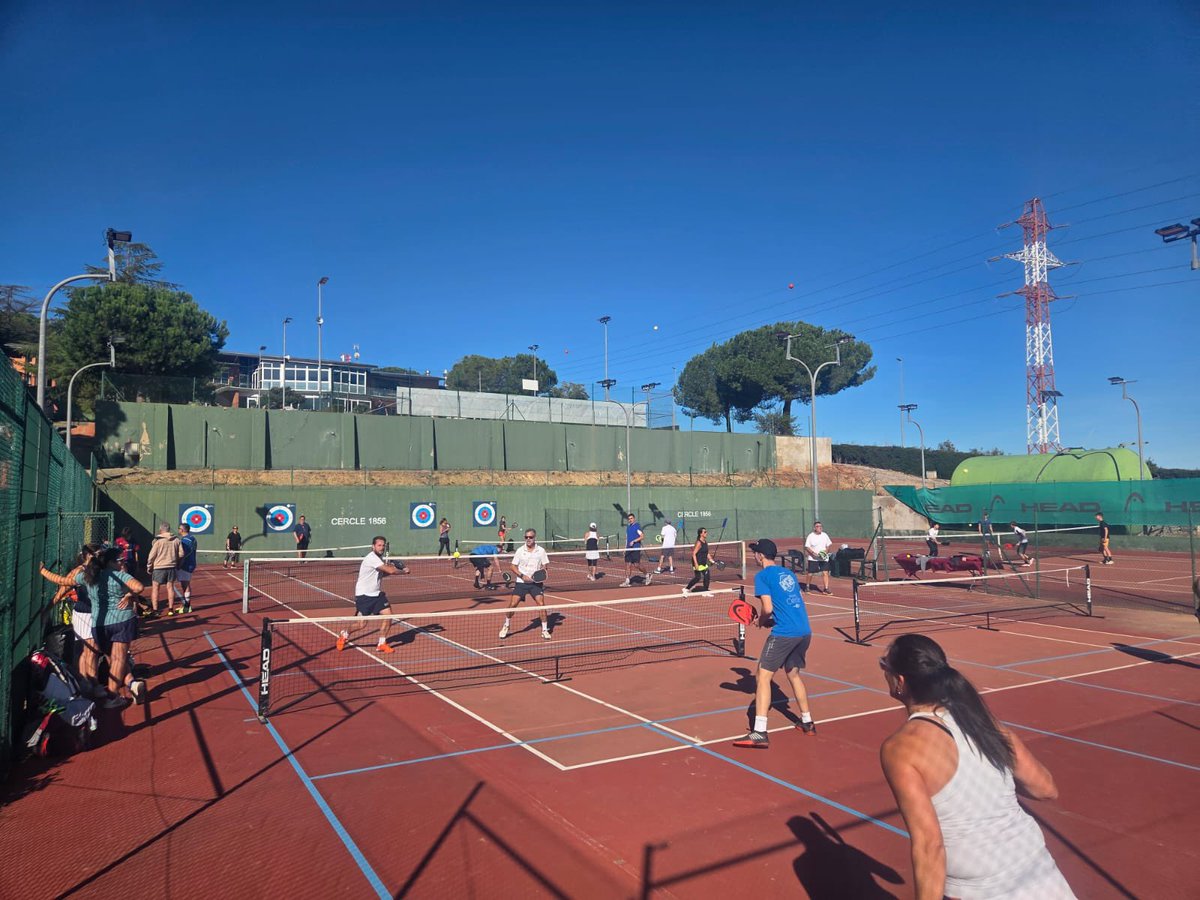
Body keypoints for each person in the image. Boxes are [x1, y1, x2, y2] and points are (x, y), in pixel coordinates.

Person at [878, 633, 1075, 899]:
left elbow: (929, 845)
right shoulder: (981, 722)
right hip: (1038, 871)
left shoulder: (902, 748)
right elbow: (1045, 789)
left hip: (979, 890)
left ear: (900, 680)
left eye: (884, 665)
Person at [733, 538, 816, 748]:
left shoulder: (762, 576)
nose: (754, 555)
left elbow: (768, 608)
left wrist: (761, 621)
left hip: (785, 633)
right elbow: (789, 603)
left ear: (760, 555)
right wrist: (771, 620)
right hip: (804, 630)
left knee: (762, 676)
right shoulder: (788, 573)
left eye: (755, 552)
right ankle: (807, 722)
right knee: (793, 674)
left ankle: (759, 732)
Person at [41, 544, 147, 708]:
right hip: (120, 620)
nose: (121, 563)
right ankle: (111, 694)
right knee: (115, 658)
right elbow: (139, 587)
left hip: (99, 624)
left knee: (107, 656)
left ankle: (126, 683)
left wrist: (43, 571)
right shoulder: (118, 575)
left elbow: (62, 580)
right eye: (119, 560)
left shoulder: (87, 577)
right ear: (109, 562)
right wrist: (128, 595)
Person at [44, 548, 104, 699]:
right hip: (86, 614)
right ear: (88, 555)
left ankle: (85, 684)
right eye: (97, 553)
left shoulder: (99, 568)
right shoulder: (81, 572)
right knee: (91, 651)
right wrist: (50, 605)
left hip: (90, 614)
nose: (99, 555)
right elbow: (63, 584)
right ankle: (93, 684)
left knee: (87, 650)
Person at [338, 536, 409, 654]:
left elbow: (383, 574)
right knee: (361, 624)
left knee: (388, 616)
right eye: (379, 545)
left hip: (377, 595)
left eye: (383, 545)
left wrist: (396, 571)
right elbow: (390, 571)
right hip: (364, 595)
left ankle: (381, 643)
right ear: (373, 546)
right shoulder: (372, 558)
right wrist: (403, 571)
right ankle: (344, 634)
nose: (381, 548)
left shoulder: (379, 559)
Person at [500, 529, 551, 640]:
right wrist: (522, 576)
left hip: (535, 584)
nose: (528, 539)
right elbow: (512, 566)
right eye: (526, 537)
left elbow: (545, 566)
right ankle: (506, 625)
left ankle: (544, 630)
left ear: (534, 538)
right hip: (521, 583)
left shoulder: (541, 551)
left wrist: (540, 574)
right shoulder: (520, 550)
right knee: (513, 604)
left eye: (530, 537)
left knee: (541, 604)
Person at [145, 522, 181, 617]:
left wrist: (149, 566)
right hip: (171, 566)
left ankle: (155, 610)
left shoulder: (157, 540)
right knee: (170, 587)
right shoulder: (176, 539)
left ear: (161, 530)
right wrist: (174, 559)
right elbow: (181, 553)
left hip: (159, 567)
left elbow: (151, 556)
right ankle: (170, 609)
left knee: (155, 588)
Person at [171, 523, 198, 615]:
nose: (178, 530)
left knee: (185, 585)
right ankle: (186, 605)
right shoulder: (192, 538)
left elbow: (183, 555)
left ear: (182, 530)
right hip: (190, 564)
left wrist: (179, 564)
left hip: (186, 565)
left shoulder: (185, 540)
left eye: (179, 528)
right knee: (185, 584)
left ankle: (187, 606)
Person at [621, 513, 652, 587]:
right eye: (629, 519)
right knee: (628, 565)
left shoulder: (637, 526)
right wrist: (625, 548)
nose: (630, 520)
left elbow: (642, 536)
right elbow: (627, 539)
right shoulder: (628, 527)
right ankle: (627, 581)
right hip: (628, 549)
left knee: (636, 565)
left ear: (634, 519)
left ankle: (647, 575)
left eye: (631, 518)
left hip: (635, 548)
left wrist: (634, 541)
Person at [804, 521, 834, 595]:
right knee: (810, 573)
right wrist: (813, 553)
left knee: (825, 572)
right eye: (817, 526)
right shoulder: (810, 536)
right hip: (813, 558)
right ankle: (807, 587)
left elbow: (828, 545)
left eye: (820, 526)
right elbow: (807, 547)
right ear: (814, 528)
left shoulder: (825, 535)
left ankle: (826, 589)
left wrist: (825, 552)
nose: (820, 528)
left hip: (824, 558)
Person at [683, 527, 712, 595]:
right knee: (698, 577)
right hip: (697, 562)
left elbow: (706, 552)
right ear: (701, 534)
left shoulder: (705, 542)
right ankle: (686, 589)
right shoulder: (699, 542)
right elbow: (694, 554)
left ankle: (705, 591)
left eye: (706, 532)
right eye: (705, 532)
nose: (706, 533)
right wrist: (696, 564)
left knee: (707, 576)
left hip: (703, 562)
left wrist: (711, 559)